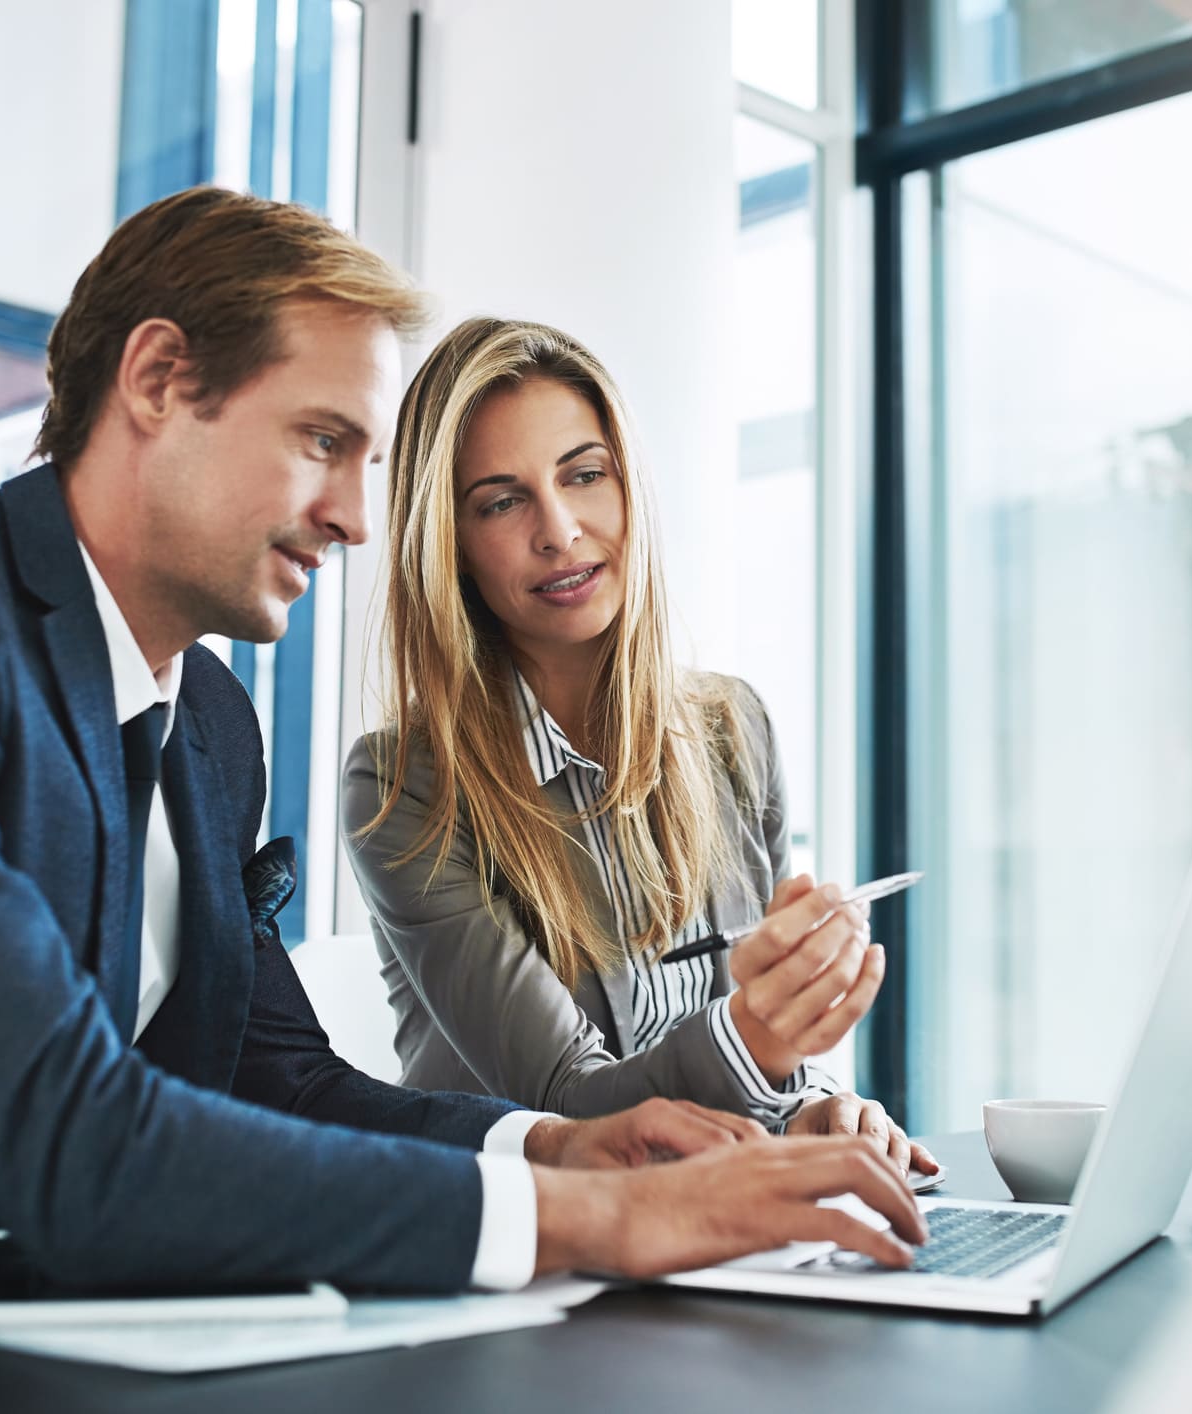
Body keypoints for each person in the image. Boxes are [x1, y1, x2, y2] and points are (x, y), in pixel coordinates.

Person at [0, 189, 924, 1293]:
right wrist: (590, 1225)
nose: (350, 516)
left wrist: (564, 1145)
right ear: (158, 379)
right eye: (321, 442)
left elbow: (279, 1075)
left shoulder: (208, 724)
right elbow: (69, 1132)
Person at [342, 317, 931, 1175]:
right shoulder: (402, 786)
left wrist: (812, 1104)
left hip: (721, 1221)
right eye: (502, 501)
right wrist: (758, 1039)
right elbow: (572, 1112)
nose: (560, 531)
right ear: (452, 546)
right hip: (545, 1246)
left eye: (584, 476)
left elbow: (756, 1071)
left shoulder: (735, 729)